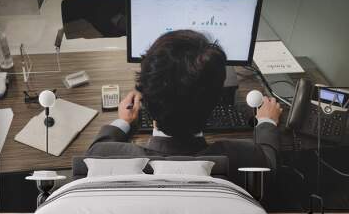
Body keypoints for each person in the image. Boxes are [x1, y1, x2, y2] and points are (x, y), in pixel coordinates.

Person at [86, 30, 283, 182]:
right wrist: (266, 122)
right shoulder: (242, 157)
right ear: (215, 101)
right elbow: (269, 163)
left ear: (145, 97)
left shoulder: (104, 157)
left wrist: (123, 122)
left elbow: (98, 149)